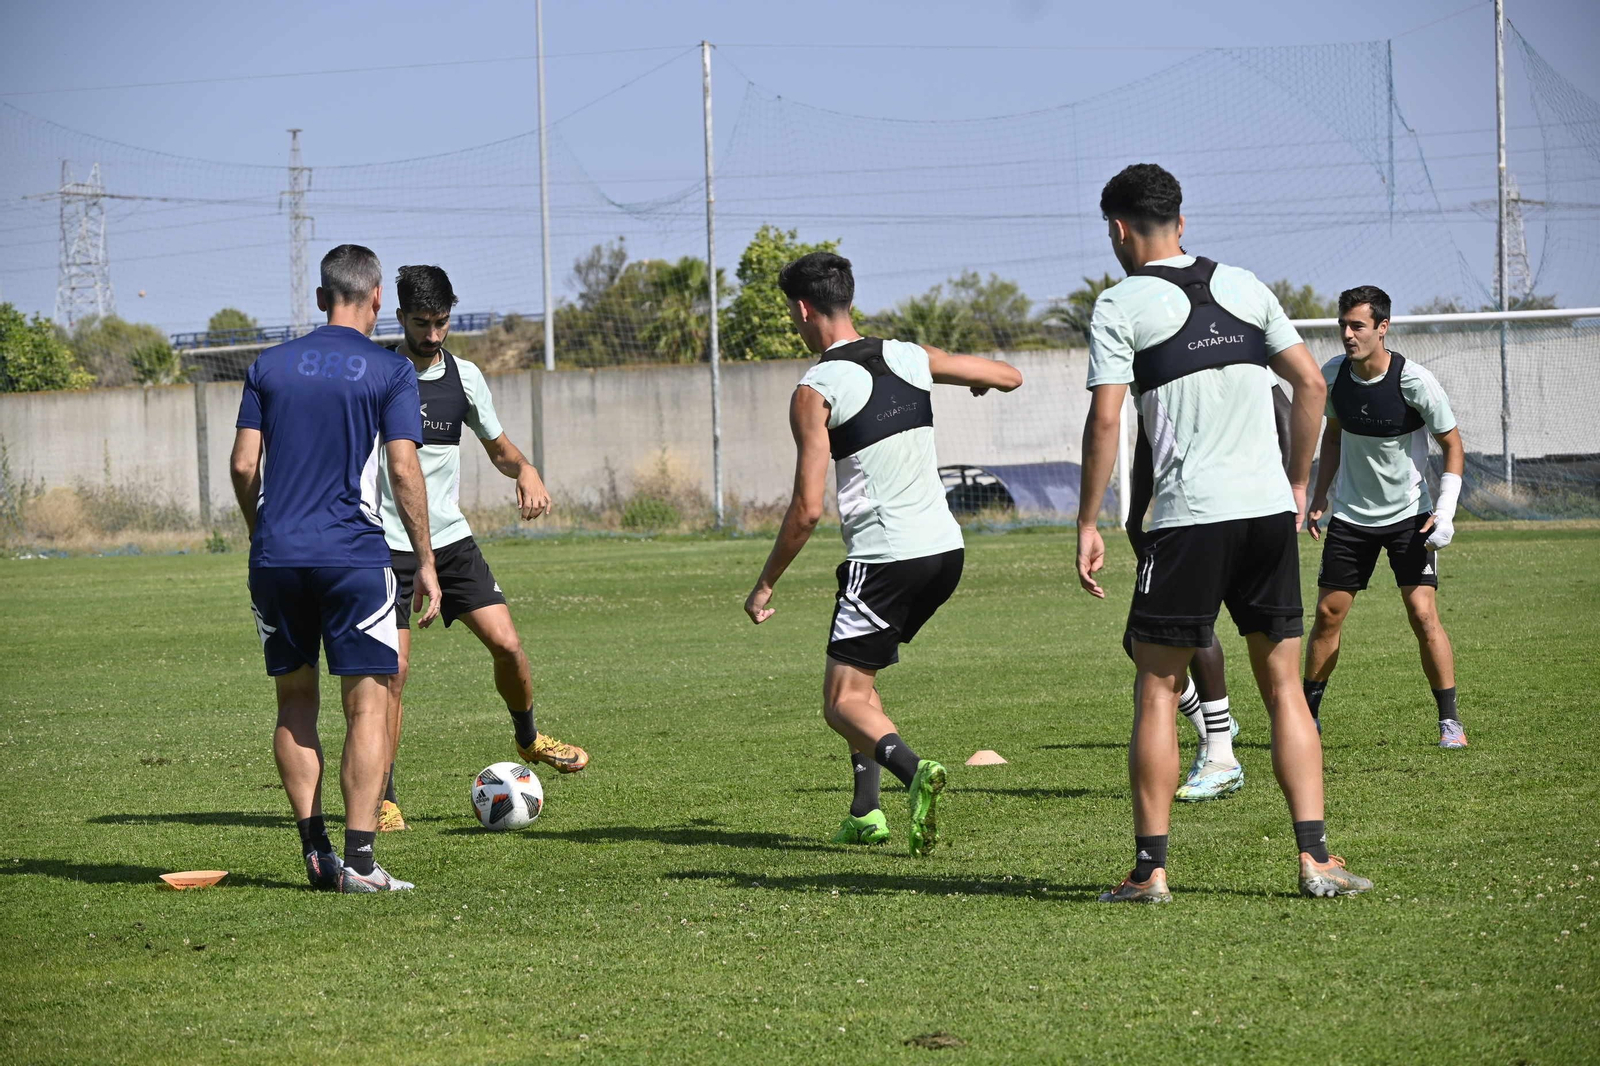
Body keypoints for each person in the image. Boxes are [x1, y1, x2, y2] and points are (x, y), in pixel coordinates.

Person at [1076, 163, 1372, 902]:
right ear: (1180, 217)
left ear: (1119, 228)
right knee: (1285, 691)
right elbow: (1311, 384)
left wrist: (1087, 519)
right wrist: (1297, 481)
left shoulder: (1119, 304)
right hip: (1268, 513)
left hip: (1190, 519)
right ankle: (1318, 861)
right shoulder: (1246, 285)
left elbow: (1108, 418)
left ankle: (1149, 871)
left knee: (1156, 687)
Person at [742, 252, 1022, 856]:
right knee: (860, 681)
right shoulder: (910, 356)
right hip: (945, 552)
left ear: (801, 308)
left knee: (840, 703)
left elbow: (806, 511)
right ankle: (866, 812)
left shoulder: (815, 389)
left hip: (887, 557)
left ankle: (914, 770)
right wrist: (979, 378)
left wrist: (764, 584)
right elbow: (1009, 375)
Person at [230, 244, 441, 893]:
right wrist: (427, 560)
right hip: (353, 556)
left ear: (322, 298)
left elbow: (243, 466)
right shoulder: (388, 371)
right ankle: (363, 863)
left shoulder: (268, 365)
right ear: (378, 299)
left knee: (294, 701)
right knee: (367, 708)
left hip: (278, 557)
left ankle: (315, 850)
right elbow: (404, 469)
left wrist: (261, 534)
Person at [376, 265, 588, 832]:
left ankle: (529, 738)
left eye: (442, 322)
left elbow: (498, 447)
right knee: (393, 673)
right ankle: (385, 797)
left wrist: (526, 470)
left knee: (509, 645)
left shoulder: (465, 378)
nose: (433, 334)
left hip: (449, 541)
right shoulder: (376, 376)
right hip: (387, 547)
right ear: (399, 318)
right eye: (421, 323)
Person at [1303, 285, 1467, 748]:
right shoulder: (1333, 375)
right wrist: (1321, 497)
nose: (1348, 334)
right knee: (1327, 615)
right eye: (1343, 325)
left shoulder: (1414, 381)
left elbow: (1453, 445)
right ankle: (1306, 717)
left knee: (1422, 613)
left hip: (1410, 517)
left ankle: (1449, 722)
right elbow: (1331, 438)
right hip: (1352, 518)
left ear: (1382, 327)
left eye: (1357, 325)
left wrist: (1447, 511)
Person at [1122, 386, 1287, 802]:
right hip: (1197, 513)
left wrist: (1288, 482)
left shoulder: (1222, 338)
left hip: (1206, 514)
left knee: (1197, 633)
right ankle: (1217, 732)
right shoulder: (1155, 349)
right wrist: (1136, 510)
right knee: (1144, 640)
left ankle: (1221, 754)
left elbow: (1288, 406)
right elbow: (1149, 435)